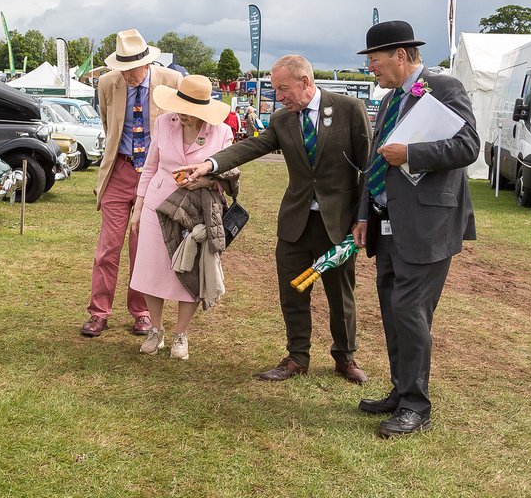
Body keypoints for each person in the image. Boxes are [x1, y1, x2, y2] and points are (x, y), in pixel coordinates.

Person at [177, 55, 372, 383]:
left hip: (338, 224)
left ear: (305, 82)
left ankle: (345, 357)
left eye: (283, 89)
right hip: (295, 223)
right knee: (292, 291)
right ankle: (297, 357)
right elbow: (251, 147)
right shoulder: (282, 120)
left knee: (340, 293)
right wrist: (209, 164)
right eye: (276, 89)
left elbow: (368, 168)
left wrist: (362, 218)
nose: (278, 96)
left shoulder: (349, 110)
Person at [353, 20, 478, 438]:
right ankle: (400, 390)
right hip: (387, 223)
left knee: (410, 311)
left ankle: (416, 406)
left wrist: (411, 153)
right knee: (392, 308)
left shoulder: (443, 88)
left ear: (401, 56)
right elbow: (374, 160)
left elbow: (468, 146)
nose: (372, 68)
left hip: (428, 224)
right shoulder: (390, 99)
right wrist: (364, 215)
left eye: (375, 60)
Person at [80, 29, 181, 338]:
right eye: (121, 68)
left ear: (146, 63)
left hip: (152, 177)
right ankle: (99, 313)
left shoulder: (171, 82)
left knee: (142, 249)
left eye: (132, 69)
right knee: (107, 249)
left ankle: (141, 312)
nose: (127, 75)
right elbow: (109, 126)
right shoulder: (108, 83)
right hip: (119, 172)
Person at [130, 75, 234, 358]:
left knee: (189, 270)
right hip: (157, 204)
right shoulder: (164, 122)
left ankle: (181, 335)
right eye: (179, 109)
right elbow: (150, 167)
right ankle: (156, 330)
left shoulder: (223, 133)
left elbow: (229, 177)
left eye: (189, 112)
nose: (181, 116)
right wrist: (138, 207)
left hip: (195, 210)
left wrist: (206, 182)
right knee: (151, 270)